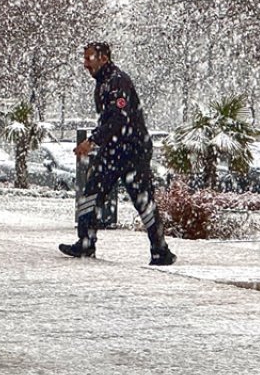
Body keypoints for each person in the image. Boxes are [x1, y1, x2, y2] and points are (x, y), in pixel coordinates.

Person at [59, 42, 176, 266]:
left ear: (103, 58)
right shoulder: (103, 82)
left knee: (142, 199)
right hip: (113, 149)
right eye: (84, 59)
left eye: (89, 58)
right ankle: (85, 242)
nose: (85, 64)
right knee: (91, 193)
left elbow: (118, 117)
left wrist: (92, 141)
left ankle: (160, 250)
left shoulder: (117, 81)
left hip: (132, 149)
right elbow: (110, 119)